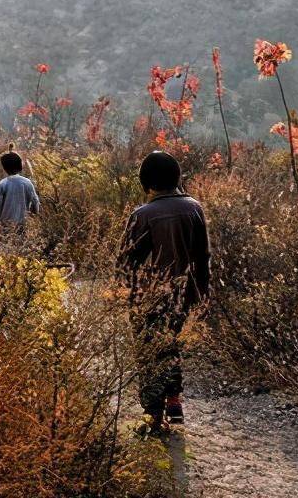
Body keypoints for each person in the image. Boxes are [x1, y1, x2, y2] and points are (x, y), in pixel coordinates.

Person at [118, 150, 209, 436]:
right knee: (171, 346)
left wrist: (126, 295)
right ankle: (175, 402)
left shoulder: (142, 215)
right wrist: (201, 295)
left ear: (146, 182)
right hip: (183, 296)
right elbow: (203, 258)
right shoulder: (194, 208)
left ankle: (154, 415)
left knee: (149, 353)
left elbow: (126, 263)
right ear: (176, 177)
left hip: (149, 300)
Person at [0, 151, 39, 243]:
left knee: (5, 247)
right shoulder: (27, 182)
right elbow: (35, 201)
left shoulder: (2, 184)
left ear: (5, 168)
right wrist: (34, 212)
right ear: (19, 165)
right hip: (22, 223)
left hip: (6, 224)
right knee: (20, 246)